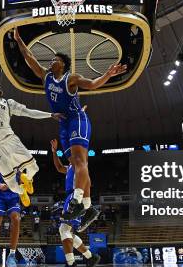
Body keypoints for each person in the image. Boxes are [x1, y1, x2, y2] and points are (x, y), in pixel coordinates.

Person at [14, 28, 126, 225]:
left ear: (63, 64)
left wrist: (108, 74)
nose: (51, 62)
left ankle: (76, 201)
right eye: (50, 60)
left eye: (55, 60)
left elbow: (91, 84)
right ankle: (89, 207)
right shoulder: (46, 77)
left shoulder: (71, 78)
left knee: (79, 161)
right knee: (76, 165)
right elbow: (29, 57)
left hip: (77, 120)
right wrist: (19, 40)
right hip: (64, 125)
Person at [0, 57, 62, 207]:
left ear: (1, 93)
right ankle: (21, 190)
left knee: (34, 167)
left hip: (10, 139)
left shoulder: (8, 103)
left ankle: (27, 179)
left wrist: (50, 115)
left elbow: (29, 112)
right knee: (10, 184)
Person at [50, 139, 100, 267]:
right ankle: (90, 257)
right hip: (71, 197)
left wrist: (84, 202)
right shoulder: (70, 168)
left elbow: (87, 183)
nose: (69, 156)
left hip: (75, 197)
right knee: (68, 231)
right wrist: (54, 152)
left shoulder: (81, 166)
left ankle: (71, 265)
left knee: (64, 229)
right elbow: (59, 168)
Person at [0, 162, 23, 267]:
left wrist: (23, 187)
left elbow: (21, 182)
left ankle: (12, 255)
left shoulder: (19, 165)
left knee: (16, 219)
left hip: (13, 196)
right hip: (0, 197)